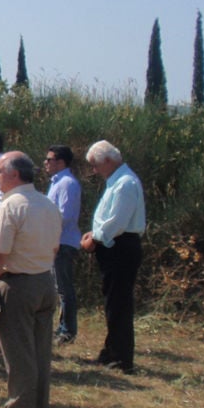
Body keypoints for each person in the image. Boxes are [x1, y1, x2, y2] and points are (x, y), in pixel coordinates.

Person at [0, 152, 61, 408]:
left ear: (14, 175)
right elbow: (55, 246)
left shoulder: (10, 206)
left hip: (18, 284)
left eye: (0, 171)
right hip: (44, 280)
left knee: (18, 352)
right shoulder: (47, 204)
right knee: (40, 350)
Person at [80, 140, 146, 374]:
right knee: (112, 300)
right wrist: (95, 233)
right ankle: (111, 351)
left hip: (120, 246)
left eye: (96, 165)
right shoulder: (117, 181)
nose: (94, 170)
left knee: (118, 302)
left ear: (108, 160)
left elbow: (117, 221)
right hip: (114, 244)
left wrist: (95, 239)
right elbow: (108, 217)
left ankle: (120, 357)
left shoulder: (125, 183)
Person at [44, 145, 82, 345]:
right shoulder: (57, 182)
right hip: (55, 242)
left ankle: (67, 331)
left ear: (61, 162)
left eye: (49, 160)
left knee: (63, 289)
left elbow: (64, 215)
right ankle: (60, 328)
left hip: (63, 243)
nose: (46, 163)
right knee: (57, 287)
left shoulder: (67, 183)